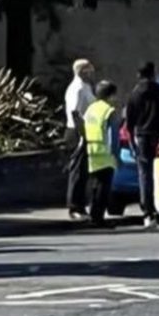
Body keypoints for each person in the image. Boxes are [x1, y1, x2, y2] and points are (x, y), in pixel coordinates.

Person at [125, 61, 159, 229]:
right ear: (154, 74)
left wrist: (132, 140)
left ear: (138, 75)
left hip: (142, 137)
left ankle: (148, 213)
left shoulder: (134, 94)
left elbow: (129, 121)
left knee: (144, 175)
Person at [81, 80, 122, 226]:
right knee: (103, 188)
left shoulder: (91, 109)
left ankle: (93, 214)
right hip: (105, 154)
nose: (116, 99)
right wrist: (116, 155)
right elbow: (114, 136)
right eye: (114, 95)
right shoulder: (109, 111)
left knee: (94, 186)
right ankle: (98, 218)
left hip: (91, 151)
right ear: (110, 96)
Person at [63, 58, 96, 221]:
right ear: (82, 71)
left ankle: (81, 206)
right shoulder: (76, 89)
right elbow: (75, 113)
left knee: (83, 172)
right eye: (89, 69)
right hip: (77, 132)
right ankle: (74, 207)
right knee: (76, 171)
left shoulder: (86, 87)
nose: (92, 72)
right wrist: (82, 135)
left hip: (85, 131)